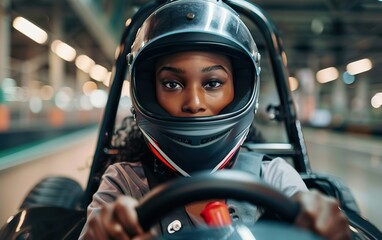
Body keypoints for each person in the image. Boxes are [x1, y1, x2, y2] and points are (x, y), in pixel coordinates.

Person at [80, 0, 351, 239]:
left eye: (212, 83)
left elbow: (309, 211)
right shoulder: (124, 183)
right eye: (172, 84)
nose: (194, 104)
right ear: (149, 93)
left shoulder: (274, 176)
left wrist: (325, 225)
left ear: (239, 91)